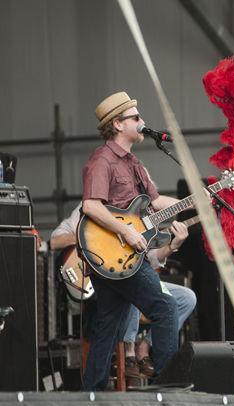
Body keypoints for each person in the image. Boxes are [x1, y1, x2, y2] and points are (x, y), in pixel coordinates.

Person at [79, 91, 182, 390]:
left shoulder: (133, 162)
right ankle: (168, 387)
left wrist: (194, 201)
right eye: (136, 118)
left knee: (108, 327)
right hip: (115, 250)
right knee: (165, 307)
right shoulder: (102, 160)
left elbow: (155, 201)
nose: (142, 122)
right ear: (118, 124)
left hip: (121, 258)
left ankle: (91, 394)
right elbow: (91, 206)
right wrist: (126, 231)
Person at [50, 204, 196, 381]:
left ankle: (144, 347)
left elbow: (153, 258)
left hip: (137, 270)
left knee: (186, 297)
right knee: (131, 285)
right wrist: (98, 237)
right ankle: (128, 355)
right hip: (101, 276)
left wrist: (173, 245)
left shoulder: (141, 211)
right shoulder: (92, 206)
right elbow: (54, 241)